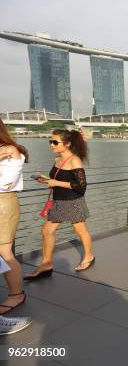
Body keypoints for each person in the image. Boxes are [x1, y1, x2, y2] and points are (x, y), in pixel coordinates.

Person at [25, 129, 95, 280]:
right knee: (46, 230)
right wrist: (46, 180)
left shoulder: (74, 160)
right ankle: (46, 264)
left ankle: (89, 256)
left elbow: (81, 186)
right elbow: (58, 179)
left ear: (67, 144)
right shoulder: (57, 160)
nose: (52, 145)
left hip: (73, 201)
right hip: (57, 201)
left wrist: (56, 182)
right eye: (50, 141)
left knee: (80, 230)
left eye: (55, 142)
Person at [0, 120, 28, 313]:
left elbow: (7, 183)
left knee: (4, 252)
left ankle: (16, 294)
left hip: (3, 203)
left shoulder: (10, 149)